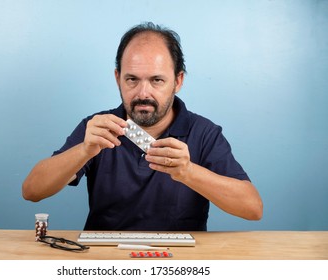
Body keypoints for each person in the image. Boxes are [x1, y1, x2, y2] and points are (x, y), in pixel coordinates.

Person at [22, 22, 263, 231]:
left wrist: (188, 172)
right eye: (132, 79)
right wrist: (84, 150)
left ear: (178, 81)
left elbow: (252, 208)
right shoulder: (97, 128)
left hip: (180, 260)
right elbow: (32, 191)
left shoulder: (203, 132)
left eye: (157, 80)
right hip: (105, 258)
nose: (143, 93)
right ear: (118, 78)